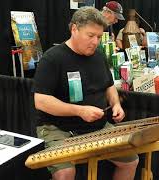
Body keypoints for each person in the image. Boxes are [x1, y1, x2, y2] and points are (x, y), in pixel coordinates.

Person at [33, 7, 139, 180]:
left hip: (97, 127)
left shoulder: (99, 55)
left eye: (99, 37)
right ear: (74, 29)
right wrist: (79, 111)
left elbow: (109, 85)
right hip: (58, 129)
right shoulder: (52, 59)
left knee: (130, 161)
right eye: (90, 36)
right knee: (65, 173)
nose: (95, 42)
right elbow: (41, 101)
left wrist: (116, 104)